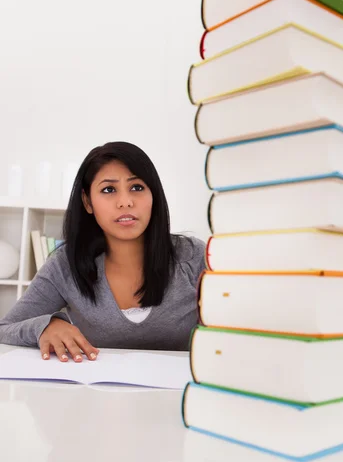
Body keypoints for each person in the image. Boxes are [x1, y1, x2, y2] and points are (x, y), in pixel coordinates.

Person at [0, 142, 206, 361]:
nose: (125, 202)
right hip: (93, 394)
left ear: (153, 195)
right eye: (109, 189)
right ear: (88, 202)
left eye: (137, 187)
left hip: (180, 393)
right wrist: (44, 327)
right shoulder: (65, 265)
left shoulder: (193, 256)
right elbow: (5, 329)